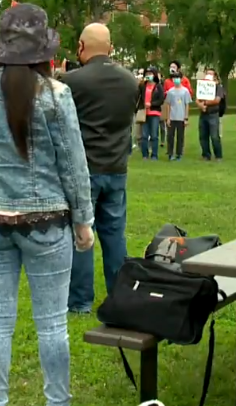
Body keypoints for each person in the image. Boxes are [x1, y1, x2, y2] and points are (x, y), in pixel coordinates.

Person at [0, 4, 94, 406]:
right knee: (52, 326)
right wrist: (84, 220)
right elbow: (72, 162)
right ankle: (57, 401)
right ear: (45, 53)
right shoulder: (56, 95)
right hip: (47, 222)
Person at [60, 22, 136, 314]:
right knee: (114, 234)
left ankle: (79, 301)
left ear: (81, 46)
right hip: (117, 166)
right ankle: (119, 294)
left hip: (83, 169)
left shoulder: (70, 82)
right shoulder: (130, 80)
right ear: (111, 47)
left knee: (81, 234)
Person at [136, 66, 164, 160]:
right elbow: (137, 97)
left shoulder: (158, 86)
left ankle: (154, 155)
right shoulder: (142, 86)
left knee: (154, 135)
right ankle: (145, 155)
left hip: (154, 113)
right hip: (144, 113)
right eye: (147, 74)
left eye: (150, 74)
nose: (148, 76)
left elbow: (161, 99)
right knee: (144, 135)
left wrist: (151, 104)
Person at [197, 68, 225, 161]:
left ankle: (218, 156)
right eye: (207, 73)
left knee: (214, 136)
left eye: (211, 74)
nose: (208, 75)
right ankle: (206, 155)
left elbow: (217, 100)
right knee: (203, 136)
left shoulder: (218, 87)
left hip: (213, 114)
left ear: (215, 76)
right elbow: (197, 99)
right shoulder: (201, 85)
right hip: (203, 114)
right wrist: (201, 105)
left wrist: (205, 103)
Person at [165, 71, 192, 161]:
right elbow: (168, 105)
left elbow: (187, 105)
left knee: (180, 137)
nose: (176, 80)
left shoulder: (185, 91)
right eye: (174, 78)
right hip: (172, 117)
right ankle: (170, 153)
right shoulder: (170, 92)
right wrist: (168, 118)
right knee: (170, 136)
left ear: (181, 79)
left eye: (177, 78)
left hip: (181, 118)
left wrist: (186, 118)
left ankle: (179, 154)